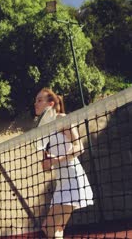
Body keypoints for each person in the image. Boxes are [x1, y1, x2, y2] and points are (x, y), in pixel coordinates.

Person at [34, 88, 94, 238]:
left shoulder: (61, 119)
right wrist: (47, 165)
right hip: (61, 183)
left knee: (50, 229)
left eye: (40, 100)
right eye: (36, 100)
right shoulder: (43, 131)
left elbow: (79, 147)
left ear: (51, 104)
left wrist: (56, 160)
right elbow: (48, 166)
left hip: (74, 180)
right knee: (55, 230)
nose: (36, 103)